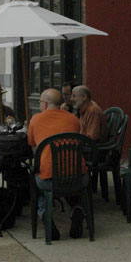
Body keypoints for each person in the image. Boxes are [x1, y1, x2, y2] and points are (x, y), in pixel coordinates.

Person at [27, 88, 88, 240]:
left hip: (49, 181)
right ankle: (77, 208)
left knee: (36, 179)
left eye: (40, 102)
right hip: (78, 178)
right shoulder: (73, 119)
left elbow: (33, 147)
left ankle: (44, 213)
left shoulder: (36, 119)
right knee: (69, 183)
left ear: (45, 104)